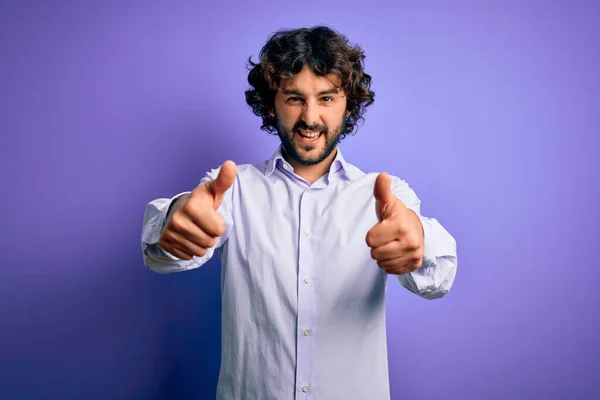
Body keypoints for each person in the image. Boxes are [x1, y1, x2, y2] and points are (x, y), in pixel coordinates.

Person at [141, 26, 457, 400]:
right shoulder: (231, 190)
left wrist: (418, 240)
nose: (310, 117)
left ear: (349, 105)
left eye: (326, 98)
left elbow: (439, 276)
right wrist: (174, 221)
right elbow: (164, 253)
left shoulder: (385, 197)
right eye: (294, 98)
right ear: (271, 104)